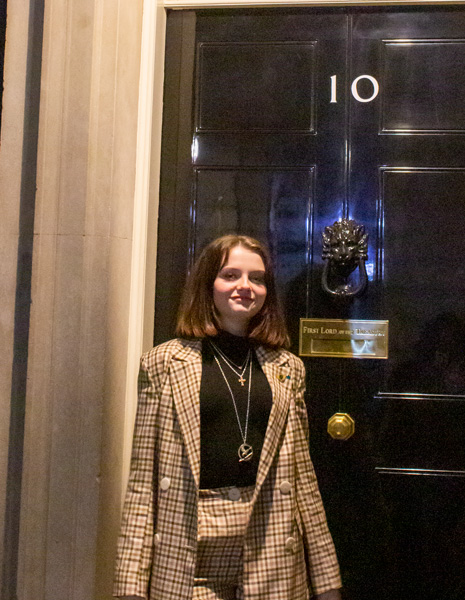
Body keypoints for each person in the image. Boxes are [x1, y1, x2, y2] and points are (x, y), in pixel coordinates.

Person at [114, 235, 342, 600]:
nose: (245, 286)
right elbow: (144, 481)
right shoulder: (163, 363)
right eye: (231, 275)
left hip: (270, 543)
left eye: (257, 278)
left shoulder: (288, 368)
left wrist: (327, 580)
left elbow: (303, 476)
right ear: (208, 284)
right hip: (188, 546)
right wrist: (130, 586)